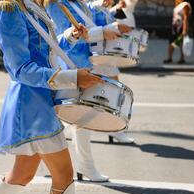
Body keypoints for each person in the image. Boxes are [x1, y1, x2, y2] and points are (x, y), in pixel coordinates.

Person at [0, 0, 103, 194]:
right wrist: (73, 78)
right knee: (64, 175)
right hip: (32, 105)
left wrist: (69, 37)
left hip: (40, 100)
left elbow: (46, 51)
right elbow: (20, 69)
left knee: (21, 175)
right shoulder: (10, 9)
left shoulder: (33, 5)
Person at [47, 0, 131, 182]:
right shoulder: (56, 5)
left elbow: (88, 24)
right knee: (78, 118)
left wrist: (108, 24)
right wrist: (103, 32)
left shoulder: (75, 2)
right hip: (71, 65)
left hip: (83, 62)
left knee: (76, 119)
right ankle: (84, 165)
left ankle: (79, 165)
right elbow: (62, 38)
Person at [88, 0, 135, 144]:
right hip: (100, 56)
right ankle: (116, 131)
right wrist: (115, 27)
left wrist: (115, 9)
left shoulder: (103, 8)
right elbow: (94, 25)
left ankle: (115, 130)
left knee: (111, 95)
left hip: (106, 57)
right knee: (113, 96)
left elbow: (105, 16)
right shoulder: (93, 6)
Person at [164, 0, 191, 64]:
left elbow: (185, 18)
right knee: (171, 42)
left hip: (181, 27)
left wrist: (185, 29)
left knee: (181, 43)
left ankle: (182, 58)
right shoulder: (178, 4)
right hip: (174, 28)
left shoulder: (185, 5)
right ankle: (169, 58)